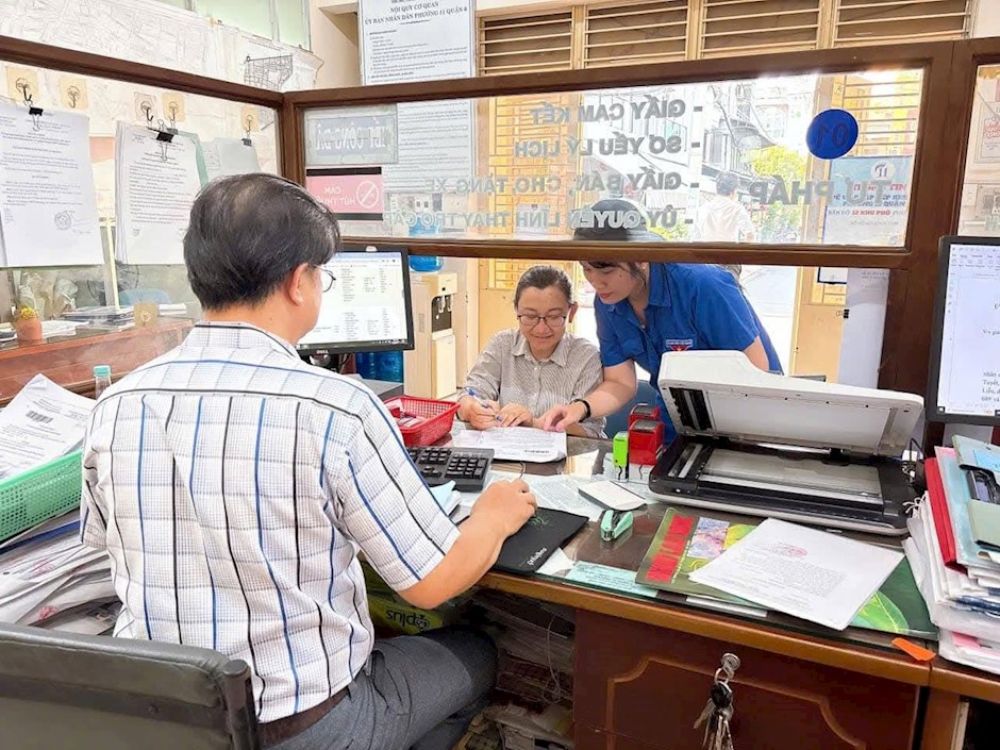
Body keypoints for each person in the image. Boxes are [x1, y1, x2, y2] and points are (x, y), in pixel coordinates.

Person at [79, 174, 537, 750]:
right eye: (322, 274)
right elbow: (431, 584)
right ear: (300, 282)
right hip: (306, 727)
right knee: (475, 652)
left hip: (164, 721)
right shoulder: (336, 408)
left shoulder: (117, 402)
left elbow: (104, 542)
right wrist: (493, 515)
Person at [540, 198, 781, 443]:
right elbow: (619, 382)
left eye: (606, 271)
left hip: (746, 419)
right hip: (677, 420)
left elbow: (756, 370)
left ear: (641, 259)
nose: (595, 281)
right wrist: (578, 409)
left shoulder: (704, 286)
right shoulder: (609, 303)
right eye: (586, 269)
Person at [458, 265, 605, 437]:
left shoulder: (586, 357)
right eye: (530, 316)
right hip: (508, 458)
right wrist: (471, 409)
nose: (541, 329)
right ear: (516, 310)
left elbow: (591, 433)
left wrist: (533, 422)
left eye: (554, 317)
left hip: (566, 460)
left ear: (571, 312)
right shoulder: (502, 344)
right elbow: (470, 393)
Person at [696, 171, 756, 280]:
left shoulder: (703, 209)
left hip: (705, 261)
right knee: (728, 293)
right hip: (728, 261)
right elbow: (750, 235)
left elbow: (697, 234)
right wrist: (741, 254)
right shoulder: (736, 208)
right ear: (733, 191)